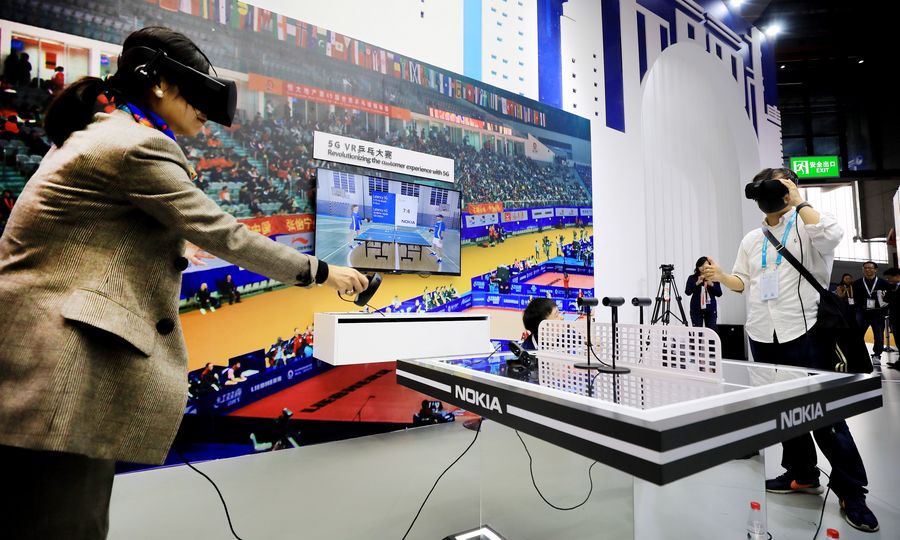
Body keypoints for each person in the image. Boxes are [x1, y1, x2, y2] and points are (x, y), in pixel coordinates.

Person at [0, 27, 368, 539]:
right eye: (197, 95)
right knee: (68, 525)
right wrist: (324, 271)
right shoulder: (135, 145)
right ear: (158, 84)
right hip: (62, 373)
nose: (207, 113)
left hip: (36, 365)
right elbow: (226, 235)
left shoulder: (99, 134)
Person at [701, 167, 878, 532]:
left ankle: (852, 492)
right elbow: (743, 282)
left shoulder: (808, 224)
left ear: (790, 188)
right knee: (781, 410)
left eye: (778, 184)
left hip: (806, 331)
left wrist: (797, 200)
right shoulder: (752, 239)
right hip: (762, 334)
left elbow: (832, 236)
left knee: (824, 414)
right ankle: (801, 473)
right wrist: (721, 277)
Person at [852, 261, 890, 363]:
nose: (867, 269)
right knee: (858, 334)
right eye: (865, 268)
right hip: (862, 312)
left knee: (878, 335)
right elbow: (853, 298)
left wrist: (885, 309)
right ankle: (858, 353)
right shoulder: (857, 283)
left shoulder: (883, 283)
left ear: (875, 270)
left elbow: (889, 298)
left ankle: (877, 355)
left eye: (870, 268)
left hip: (878, 313)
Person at [684, 256, 723, 332]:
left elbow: (719, 293)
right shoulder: (692, 278)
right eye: (701, 265)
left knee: (711, 331)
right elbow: (687, 292)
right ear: (697, 267)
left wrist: (711, 284)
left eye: (705, 266)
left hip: (710, 309)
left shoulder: (714, 278)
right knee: (697, 333)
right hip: (696, 309)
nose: (703, 268)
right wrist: (697, 283)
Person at [884, 267, 900, 369]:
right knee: (898, 340)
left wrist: (892, 297)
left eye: (889, 277)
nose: (888, 279)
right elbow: (886, 299)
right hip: (894, 317)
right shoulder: (892, 287)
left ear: (897, 276)